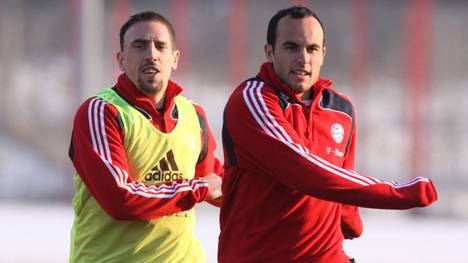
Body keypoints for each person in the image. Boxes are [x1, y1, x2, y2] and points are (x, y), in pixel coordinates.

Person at [218, 6, 437, 263]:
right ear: (270, 52)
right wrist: (399, 193)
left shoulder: (341, 110)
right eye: (291, 47)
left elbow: (342, 174)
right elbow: (306, 170)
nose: (303, 58)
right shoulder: (252, 99)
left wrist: (349, 221)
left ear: (323, 54)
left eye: (312, 49)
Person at [68, 11, 223, 263]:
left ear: (174, 59)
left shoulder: (193, 114)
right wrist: (198, 189)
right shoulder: (101, 111)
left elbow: (219, 183)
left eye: (160, 46)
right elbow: (121, 199)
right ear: (121, 59)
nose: (151, 53)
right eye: (139, 45)